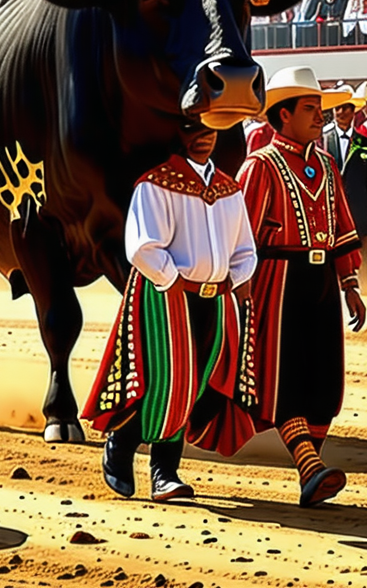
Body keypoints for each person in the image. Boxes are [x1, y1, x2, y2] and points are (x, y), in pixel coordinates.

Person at [215, 66, 367, 508]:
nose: (319, 116)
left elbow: (341, 226)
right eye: (309, 108)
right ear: (282, 116)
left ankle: (312, 472)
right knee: (284, 378)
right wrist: (241, 291)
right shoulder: (259, 167)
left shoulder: (325, 163)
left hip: (320, 282)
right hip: (275, 283)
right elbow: (240, 238)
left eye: (319, 108)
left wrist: (350, 283)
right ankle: (309, 467)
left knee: (324, 378)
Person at [83, 123, 255, 502]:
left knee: (199, 383)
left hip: (217, 297)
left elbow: (245, 248)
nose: (205, 135)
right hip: (166, 294)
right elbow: (143, 246)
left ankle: (138, 451)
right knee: (169, 381)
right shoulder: (156, 184)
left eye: (213, 127)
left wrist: (233, 279)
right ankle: (148, 460)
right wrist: (172, 281)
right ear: (177, 132)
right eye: (195, 127)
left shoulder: (229, 188)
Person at [322, 86, 367, 282]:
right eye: (337, 109)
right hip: (330, 203)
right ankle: (335, 280)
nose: (341, 113)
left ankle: (364, 281)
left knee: (362, 242)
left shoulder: (366, 143)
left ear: (353, 112)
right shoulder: (322, 139)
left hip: (359, 204)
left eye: (346, 109)